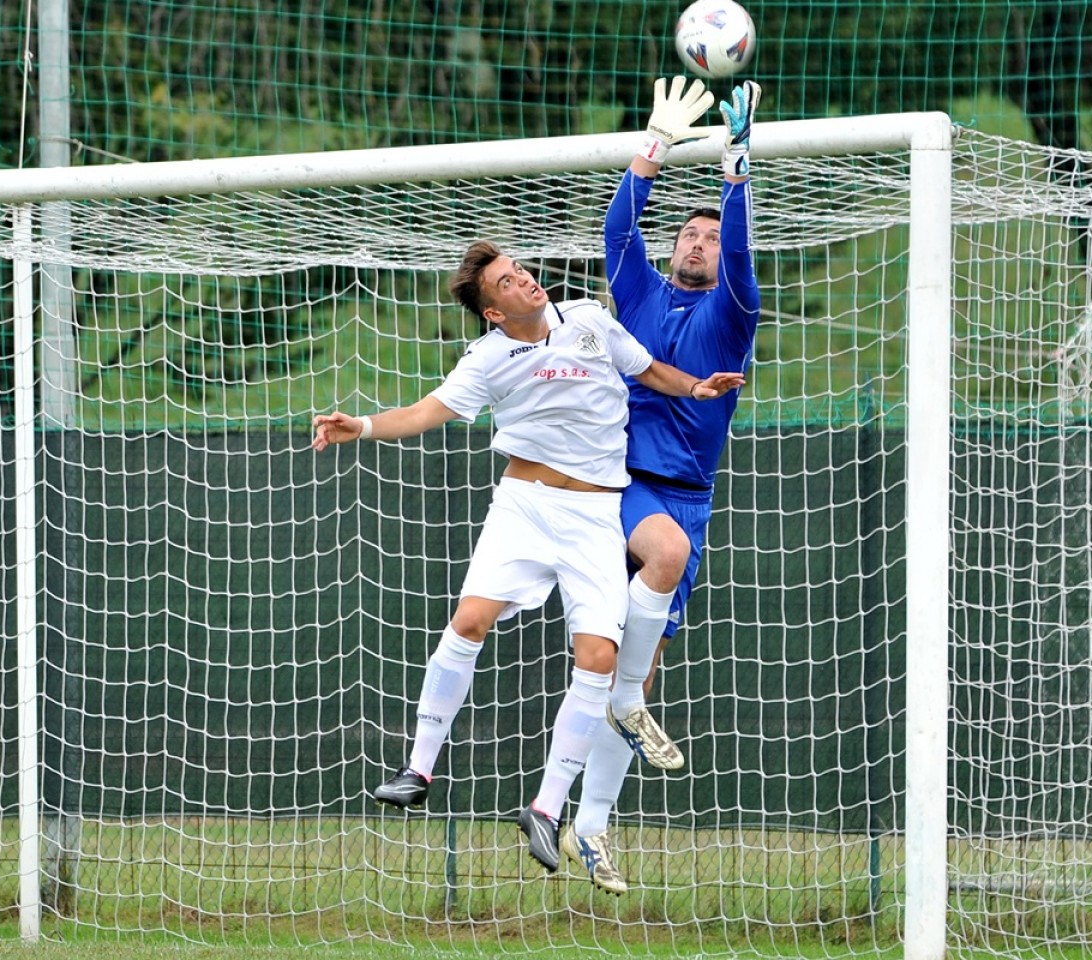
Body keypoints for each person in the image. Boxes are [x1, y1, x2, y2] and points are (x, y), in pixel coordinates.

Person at [312, 240, 745, 874]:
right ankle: (417, 768)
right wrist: (365, 426)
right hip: (524, 506)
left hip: (596, 514)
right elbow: (429, 410)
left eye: (521, 272)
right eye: (508, 283)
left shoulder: (591, 321)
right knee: (469, 620)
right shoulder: (488, 358)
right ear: (493, 312)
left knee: (598, 659)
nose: (525, 282)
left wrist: (698, 389)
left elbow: (648, 368)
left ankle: (545, 809)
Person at [558, 76, 764, 895]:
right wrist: (651, 153)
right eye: (688, 232)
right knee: (653, 586)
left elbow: (744, 256)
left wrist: (736, 168)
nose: (699, 242)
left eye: (711, 236)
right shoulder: (637, 292)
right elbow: (616, 233)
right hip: (613, 485)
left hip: (683, 493)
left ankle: (591, 827)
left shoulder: (730, 313)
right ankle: (592, 756)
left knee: (630, 678)